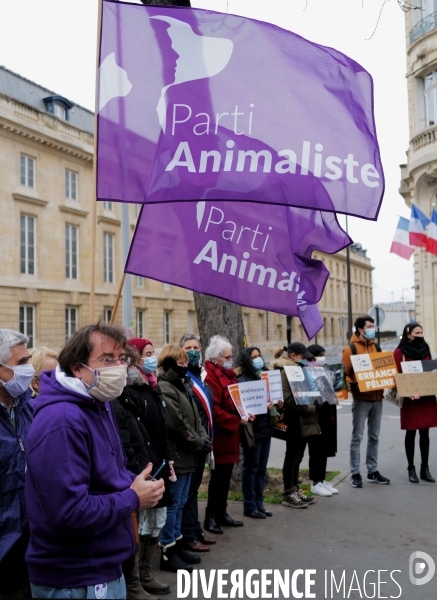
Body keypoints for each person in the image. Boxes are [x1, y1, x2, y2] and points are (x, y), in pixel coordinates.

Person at [25, 323, 165, 599]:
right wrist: (133, 498)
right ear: (77, 368)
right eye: (106, 360)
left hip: (101, 566)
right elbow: (68, 513)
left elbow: (106, 475)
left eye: (121, 359)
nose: (117, 367)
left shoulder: (97, 402)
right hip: (74, 578)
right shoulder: (63, 420)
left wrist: (135, 484)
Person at [113, 344, 172, 600]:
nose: (151, 358)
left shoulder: (142, 391)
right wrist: (140, 473)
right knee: (136, 529)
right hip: (138, 475)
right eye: (145, 354)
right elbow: (125, 445)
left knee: (153, 523)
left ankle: (145, 575)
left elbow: (155, 431)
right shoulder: (122, 397)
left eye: (123, 360)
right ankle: (134, 583)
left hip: (153, 466)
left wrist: (164, 460)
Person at [157, 345, 210, 573]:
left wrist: (203, 438)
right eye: (180, 362)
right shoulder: (166, 386)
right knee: (174, 505)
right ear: (169, 363)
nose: (184, 366)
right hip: (179, 455)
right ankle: (167, 552)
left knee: (180, 505)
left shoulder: (183, 385)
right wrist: (198, 442)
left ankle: (177, 546)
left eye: (185, 362)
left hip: (189, 454)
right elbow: (177, 422)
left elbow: (196, 418)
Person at [203, 335, 251, 533]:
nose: (230, 359)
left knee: (226, 476)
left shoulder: (227, 373)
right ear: (215, 358)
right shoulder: (211, 376)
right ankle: (211, 516)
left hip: (231, 433)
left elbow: (235, 400)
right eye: (227, 356)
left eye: (230, 356)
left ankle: (221, 512)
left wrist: (245, 412)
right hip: (221, 435)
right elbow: (213, 409)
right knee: (218, 478)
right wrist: (236, 420)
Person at [0, 329, 34, 599]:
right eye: (21, 362)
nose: (29, 368)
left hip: (31, 534)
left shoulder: (28, 407)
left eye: (28, 359)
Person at [342, 315, 390, 488]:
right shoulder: (350, 349)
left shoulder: (376, 346)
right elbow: (344, 372)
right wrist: (349, 383)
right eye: (369, 326)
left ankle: (372, 471)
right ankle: (355, 473)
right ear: (360, 329)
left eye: (373, 326)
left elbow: (382, 369)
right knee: (357, 437)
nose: (372, 329)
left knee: (374, 437)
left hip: (378, 398)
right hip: (361, 399)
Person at [179, 333, 216, 552]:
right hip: (192, 443)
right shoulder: (183, 377)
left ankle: (196, 529)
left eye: (196, 347)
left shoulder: (200, 375)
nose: (193, 350)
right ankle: (189, 534)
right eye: (188, 347)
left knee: (194, 490)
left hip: (204, 441)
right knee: (189, 491)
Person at [394, 323, 437, 483]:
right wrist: (408, 390)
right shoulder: (400, 352)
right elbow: (396, 374)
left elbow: (430, 370)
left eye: (421, 332)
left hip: (425, 398)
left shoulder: (425, 349)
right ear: (409, 334)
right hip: (410, 399)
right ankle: (410, 468)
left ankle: (424, 468)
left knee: (425, 434)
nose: (420, 334)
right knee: (411, 432)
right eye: (417, 332)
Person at [236, 347, 276, 518]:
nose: (258, 359)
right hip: (253, 430)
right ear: (246, 360)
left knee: (261, 468)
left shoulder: (265, 375)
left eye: (259, 356)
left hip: (266, 428)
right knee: (251, 468)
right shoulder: (242, 379)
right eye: (254, 357)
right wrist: (262, 405)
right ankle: (249, 505)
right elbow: (245, 405)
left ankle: (259, 503)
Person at [279, 342, 318, 509]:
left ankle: (295, 489)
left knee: (298, 457)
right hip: (294, 420)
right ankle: (289, 492)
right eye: (303, 357)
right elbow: (289, 400)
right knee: (292, 457)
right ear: (293, 356)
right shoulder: (285, 373)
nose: (306, 361)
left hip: (304, 421)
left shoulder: (301, 370)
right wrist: (310, 407)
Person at [306, 344, 338, 496]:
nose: (322, 358)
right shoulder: (307, 371)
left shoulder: (324, 369)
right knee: (316, 449)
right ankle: (315, 481)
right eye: (320, 355)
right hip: (316, 412)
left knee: (325, 447)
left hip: (327, 410)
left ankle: (322, 479)